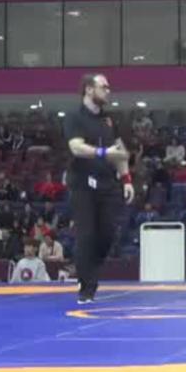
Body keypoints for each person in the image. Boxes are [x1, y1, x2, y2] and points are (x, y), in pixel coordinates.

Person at [64, 74, 136, 303]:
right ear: (88, 89)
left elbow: (120, 151)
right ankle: (86, 286)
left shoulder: (109, 120)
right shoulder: (74, 117)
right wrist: (103, 152)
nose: (108, 90)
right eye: (103, 87)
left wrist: (126, 179)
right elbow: (76, 147)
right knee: (86, 235)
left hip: (107, 184)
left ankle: (89, 270)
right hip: (82, 183)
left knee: (107, 234)